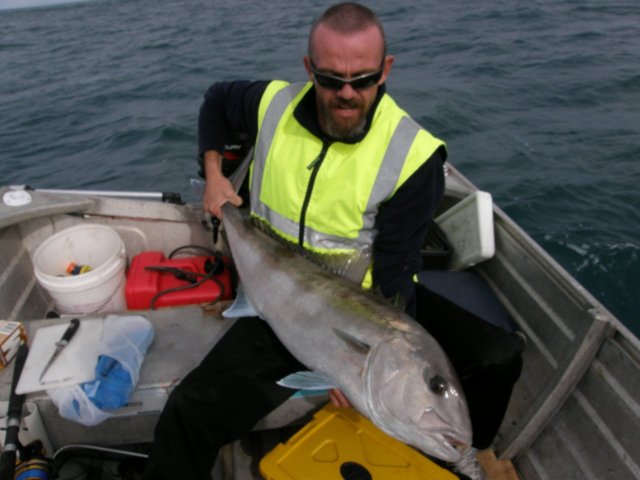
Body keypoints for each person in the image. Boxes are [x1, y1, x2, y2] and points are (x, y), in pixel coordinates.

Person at [143, 3, 523, 480]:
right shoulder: (272, 102)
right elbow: (217, 100)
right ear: (309, 69)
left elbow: (396, 271)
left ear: (385, 70)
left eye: (362, 80)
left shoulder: (413, 155)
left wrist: (360, 374)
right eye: (330, 79)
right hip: (275, 292)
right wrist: (215, 177)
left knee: (498, 357)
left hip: (360, 298)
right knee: (189, 412)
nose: (347, 94)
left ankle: (458, 451)